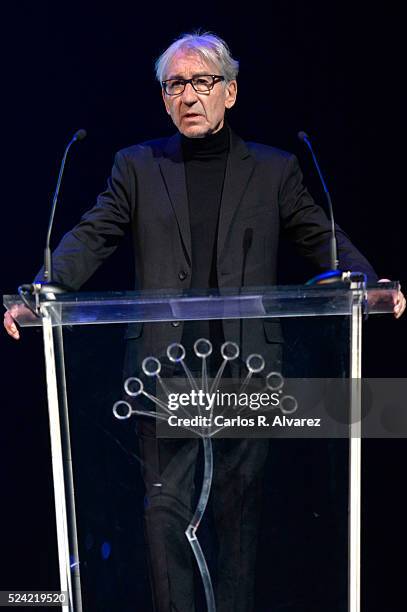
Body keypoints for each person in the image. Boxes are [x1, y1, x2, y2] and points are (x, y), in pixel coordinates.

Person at [3, 31, 405, 611]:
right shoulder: (137, 167)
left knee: (238, 523)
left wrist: (367, 285)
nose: (189, 95)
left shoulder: (275, 170)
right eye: (176, 85)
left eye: (203, 82)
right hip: (162, 380)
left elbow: (324, 240)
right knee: (165, 520)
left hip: (249, 378)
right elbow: (91, 237)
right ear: (164, 98)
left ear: (231, 92)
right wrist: (40, 292)